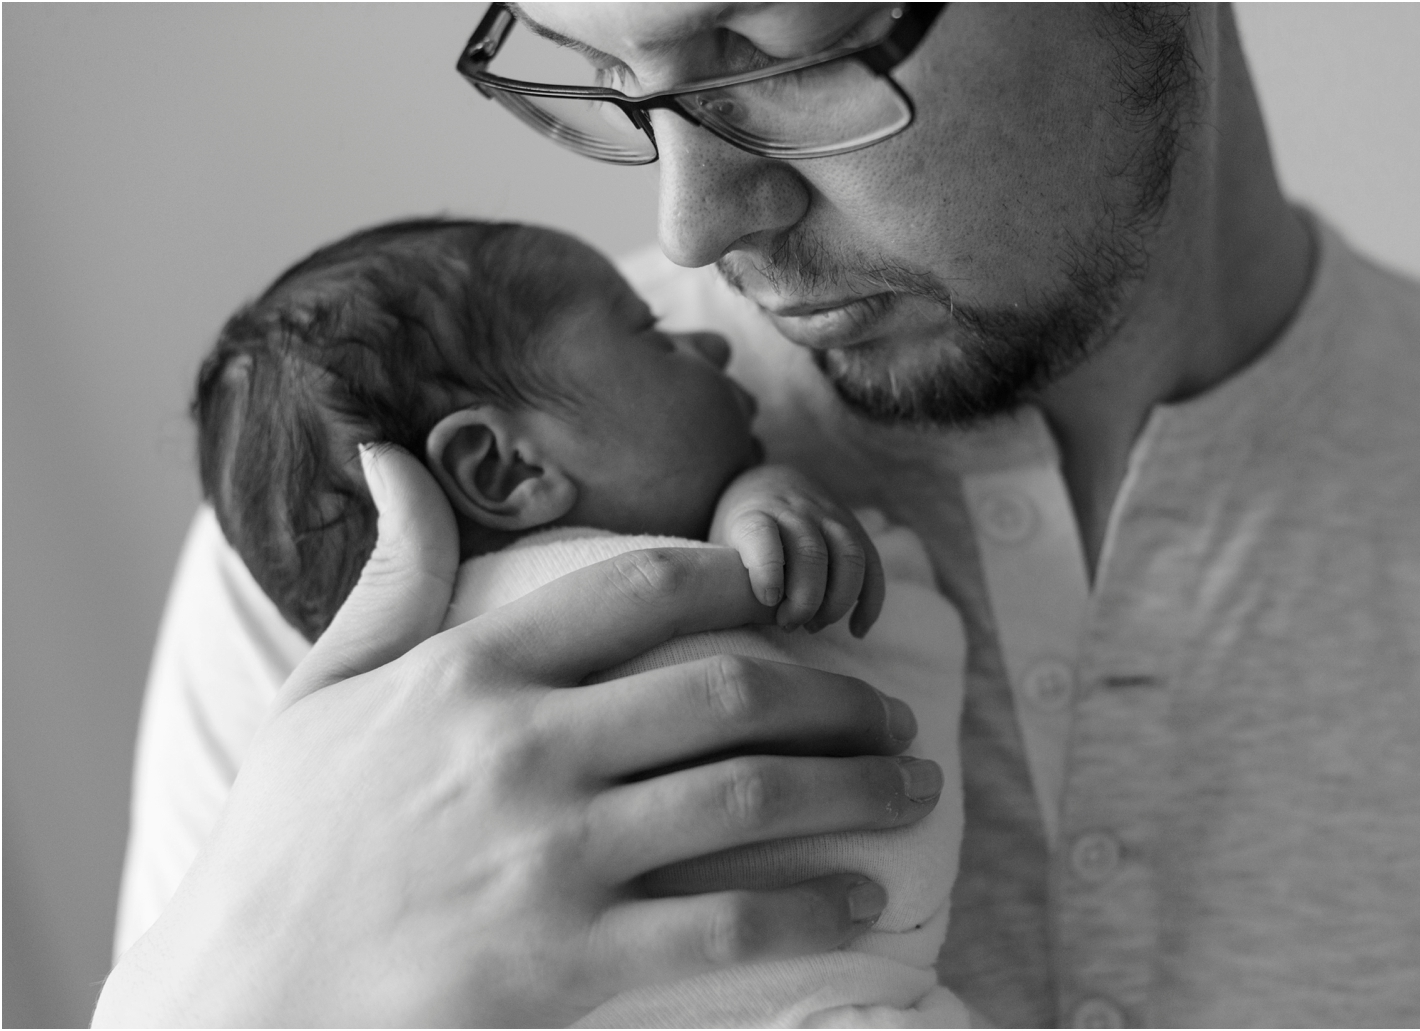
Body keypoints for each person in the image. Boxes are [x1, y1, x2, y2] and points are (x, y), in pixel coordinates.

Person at [97, 4, 1420, 1027]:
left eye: (782, 52)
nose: (695, 224)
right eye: (608, 75)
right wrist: (252, 987)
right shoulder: (386, 539)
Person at [191, 215, 970, 1026]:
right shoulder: (375, 717)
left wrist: (758, 493)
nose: (708, 343)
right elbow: (844, 609)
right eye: (654, 335)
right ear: (505, 467)